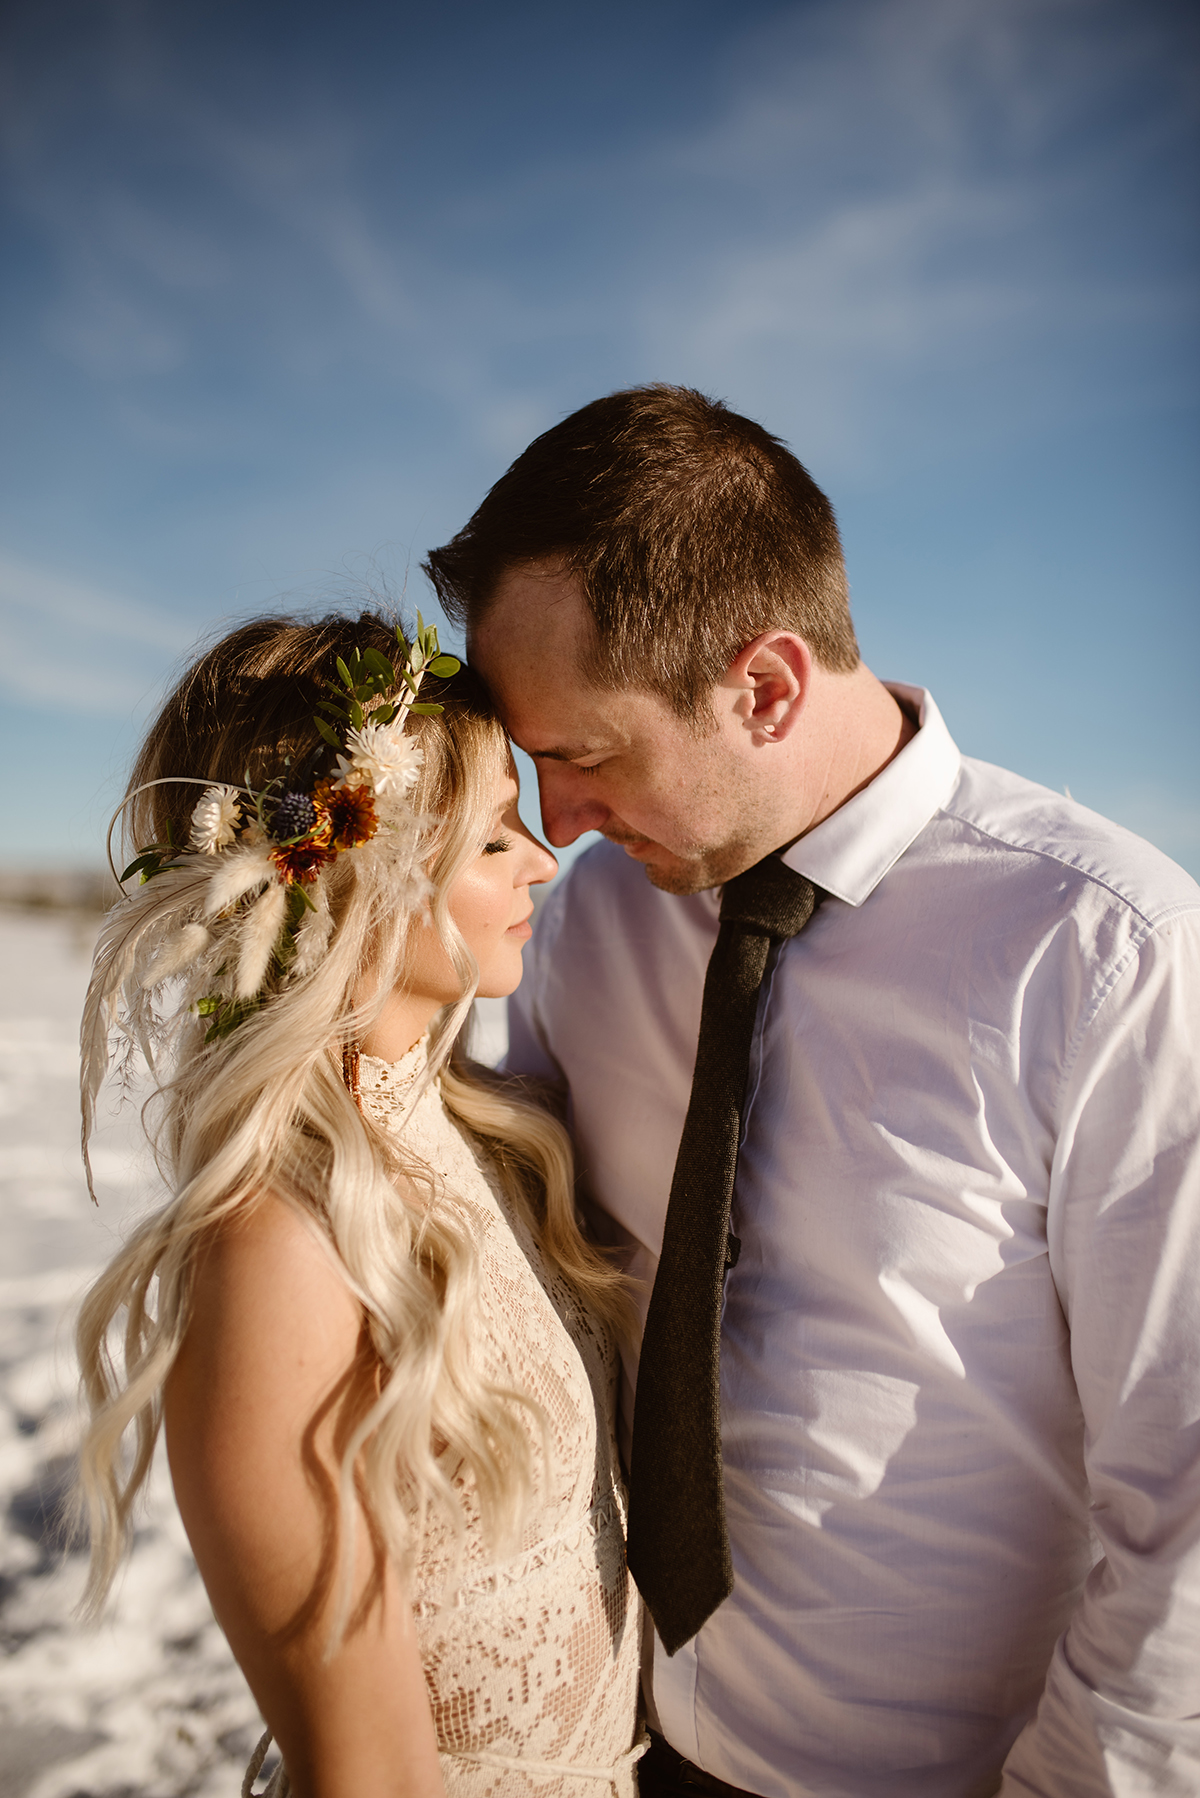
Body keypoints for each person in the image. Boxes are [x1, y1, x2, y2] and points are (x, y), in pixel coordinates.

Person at [423, 386, 1200, 1798]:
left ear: (764, 686)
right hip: (627, 1744)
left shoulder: (1106, 954)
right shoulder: (594, 919)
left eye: (584, 757)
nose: (557, 822)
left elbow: (1190, 1491)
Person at [74, 612, 644, 1798]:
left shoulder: (483, 1127)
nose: (545, 860)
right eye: (496, 839)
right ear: (355, 873)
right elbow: (365, 1774)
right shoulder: (278, 1251)